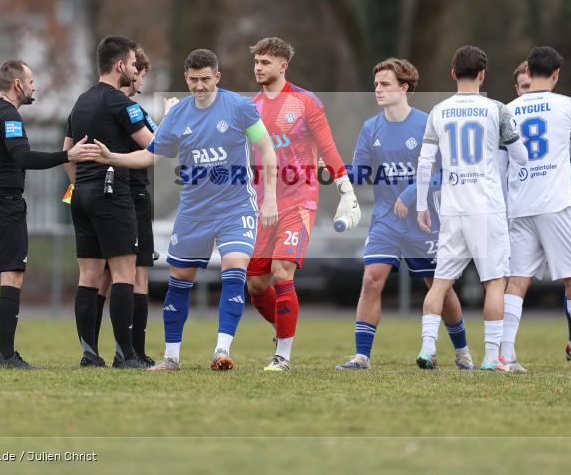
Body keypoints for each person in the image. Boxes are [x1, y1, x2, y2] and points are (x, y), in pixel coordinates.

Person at [95, 48, 278, 371]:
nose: (200, 86)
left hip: (236, 209)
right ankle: (171, 357)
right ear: (186, 79)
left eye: (206, 79)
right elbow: (150, 156)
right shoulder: (177, 117)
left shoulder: (239, 108)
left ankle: (222, 351)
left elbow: (265, 147)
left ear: (217, 77)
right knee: (180, 279)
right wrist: (111, 157)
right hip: (194, 212)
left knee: (234, 272)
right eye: (193, 80)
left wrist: (270, 198)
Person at [0, 60, 99, 369]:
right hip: (3, 204)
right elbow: (22, 157)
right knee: (11, 275)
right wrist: (68, 155)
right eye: (32, 80)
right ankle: (6, 356)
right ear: (18, 85)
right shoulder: (7, 115)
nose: (35, 86)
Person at [335, 58, 472, 371]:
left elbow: (443, 173)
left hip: (424, 222)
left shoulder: (427, 123)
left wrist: (412, 195)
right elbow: (361, 175)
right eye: (376, 85)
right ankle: (361, 356)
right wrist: (335, 172)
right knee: (371, 280)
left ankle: (462, 351)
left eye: (385, 84)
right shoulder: (371, 128)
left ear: (404, 87)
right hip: (385, 221)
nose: (378, 90)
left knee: (439, 287)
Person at [245, 37, 361, 372]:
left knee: (282, 271)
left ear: (283, 66)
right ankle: (283, 328)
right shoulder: (250, 106)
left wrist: (345, 189)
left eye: (265, 62)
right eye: (256, 62)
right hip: (263, 203)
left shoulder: (306, 102)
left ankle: (282, 355)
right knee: (256, 286)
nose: (258, 67)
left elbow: (327, 147)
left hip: (299, 201)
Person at [415, 45, 527, 371]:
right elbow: (520, 156)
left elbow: (425, 164)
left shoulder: (438, 111)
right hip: (487, 207)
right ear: (482, 74)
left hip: (452, 207)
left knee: (440, 282)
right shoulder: (497, 109)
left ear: (453, 74)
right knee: (495, 281)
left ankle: (427, 348)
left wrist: (423, 204)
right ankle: (492, 357)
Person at [499, 47, 571, 372]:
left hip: (519, 205)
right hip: (555, 204)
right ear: (557, 73)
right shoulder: (569, 105)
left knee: (517, 281)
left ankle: (505, 355)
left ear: (528, 71)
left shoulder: (509, 109)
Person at [65, 36, 154, 369]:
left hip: (82, 194)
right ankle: (125, 355)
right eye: (133, 63)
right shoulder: (121, 102)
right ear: (120, 67)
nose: (135, 69)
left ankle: (90, 354)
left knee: (88, 276)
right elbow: (154, 146)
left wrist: (83, 183)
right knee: (123, 274)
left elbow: (67, 153)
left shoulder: (81, 101)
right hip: (112, 191)